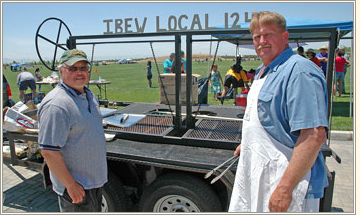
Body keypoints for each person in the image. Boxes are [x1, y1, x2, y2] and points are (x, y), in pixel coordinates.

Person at [228, 11, 328, 212]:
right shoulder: (262, 70)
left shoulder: (299, 72)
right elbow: (269, 117)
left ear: (285, 37)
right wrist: (248, 143)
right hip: (259, 171)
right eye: (257, 37)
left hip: (286, 181)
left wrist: (285, 189)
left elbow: (313, 136)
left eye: (268, 34)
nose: (261, 41)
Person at [38, 49, 107, 212]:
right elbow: (48, 151)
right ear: (61, 71)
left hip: (94, 183)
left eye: (83, 68)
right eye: (73, 68)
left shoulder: (88, 94)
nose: (79, 73)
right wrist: (70, 184)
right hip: (77, 188)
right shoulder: (57, 105)